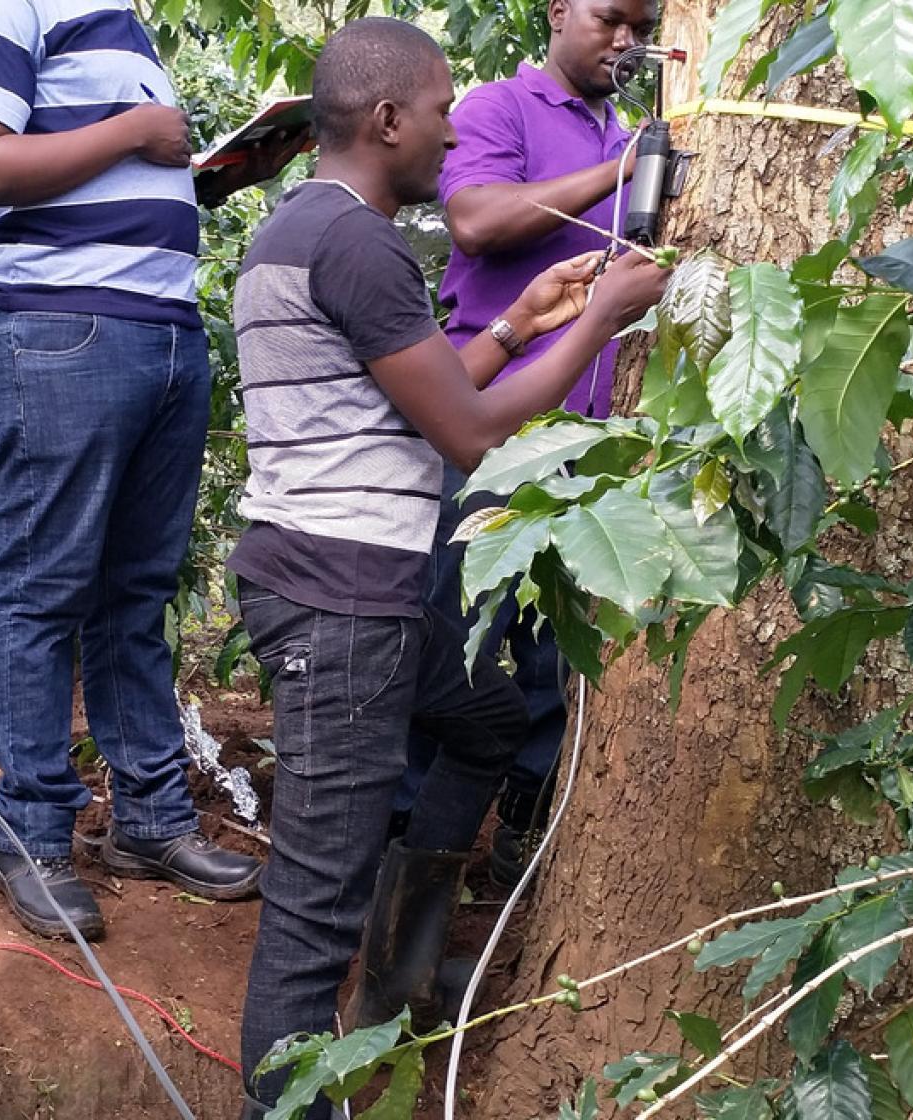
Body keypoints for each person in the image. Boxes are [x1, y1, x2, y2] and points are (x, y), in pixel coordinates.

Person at [228, 18, 670, 1116]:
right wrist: (601, 317)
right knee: (310, 905)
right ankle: (286, 1101)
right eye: (437, 114)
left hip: (348, 590)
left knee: (480, 721)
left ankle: (402, 971)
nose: (448, 133)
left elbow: (414, 404)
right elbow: (466, 434)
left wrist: (520, 320)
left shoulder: (314, 229)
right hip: (340, 605)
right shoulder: (358, 242)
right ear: (386, 120)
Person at [0, 0, 276, 941]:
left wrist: (209, 173)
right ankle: (30, 835)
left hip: (159, 332)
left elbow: (100, 176)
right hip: (62, 329)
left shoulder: (123, 22)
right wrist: (135, 130)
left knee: (134, 596)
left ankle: (151, 823)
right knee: (40, 592)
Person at [396, 0, 661, 885]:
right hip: (494, 432)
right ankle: (399, 841)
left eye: (641, 26)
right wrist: (616, 173)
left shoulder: (633, 131)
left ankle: (519, 829)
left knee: (563, 654)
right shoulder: (497, 109)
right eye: (609, 18)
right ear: (559, 12)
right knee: (452, 625)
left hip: (601, 443)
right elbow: (478, 220)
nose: (625, 40)